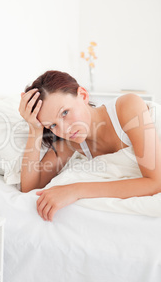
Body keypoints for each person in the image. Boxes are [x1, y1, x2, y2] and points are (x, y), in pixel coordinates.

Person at [19, 70, 161, 221]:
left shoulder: (127, 106)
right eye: (52, 125)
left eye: (65, 113)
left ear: (83, 95)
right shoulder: (71, 142)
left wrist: (75, 190)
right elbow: (30, 187)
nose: (64, 129)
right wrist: (34, 128)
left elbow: (156, 183)